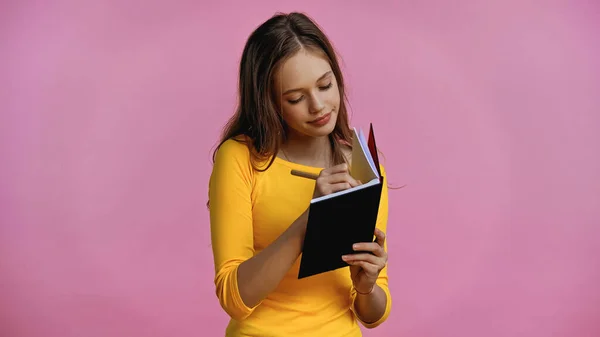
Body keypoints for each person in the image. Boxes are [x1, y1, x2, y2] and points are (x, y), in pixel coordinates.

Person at [208, 11, 391, 336]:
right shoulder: (240, 158)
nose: (318, 105)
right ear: (270, 103)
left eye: (325, 85)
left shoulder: (361, 167)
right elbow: (234, 297)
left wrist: (367, 287)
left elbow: (372, 314)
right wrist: (310, 220)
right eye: (296, 98)